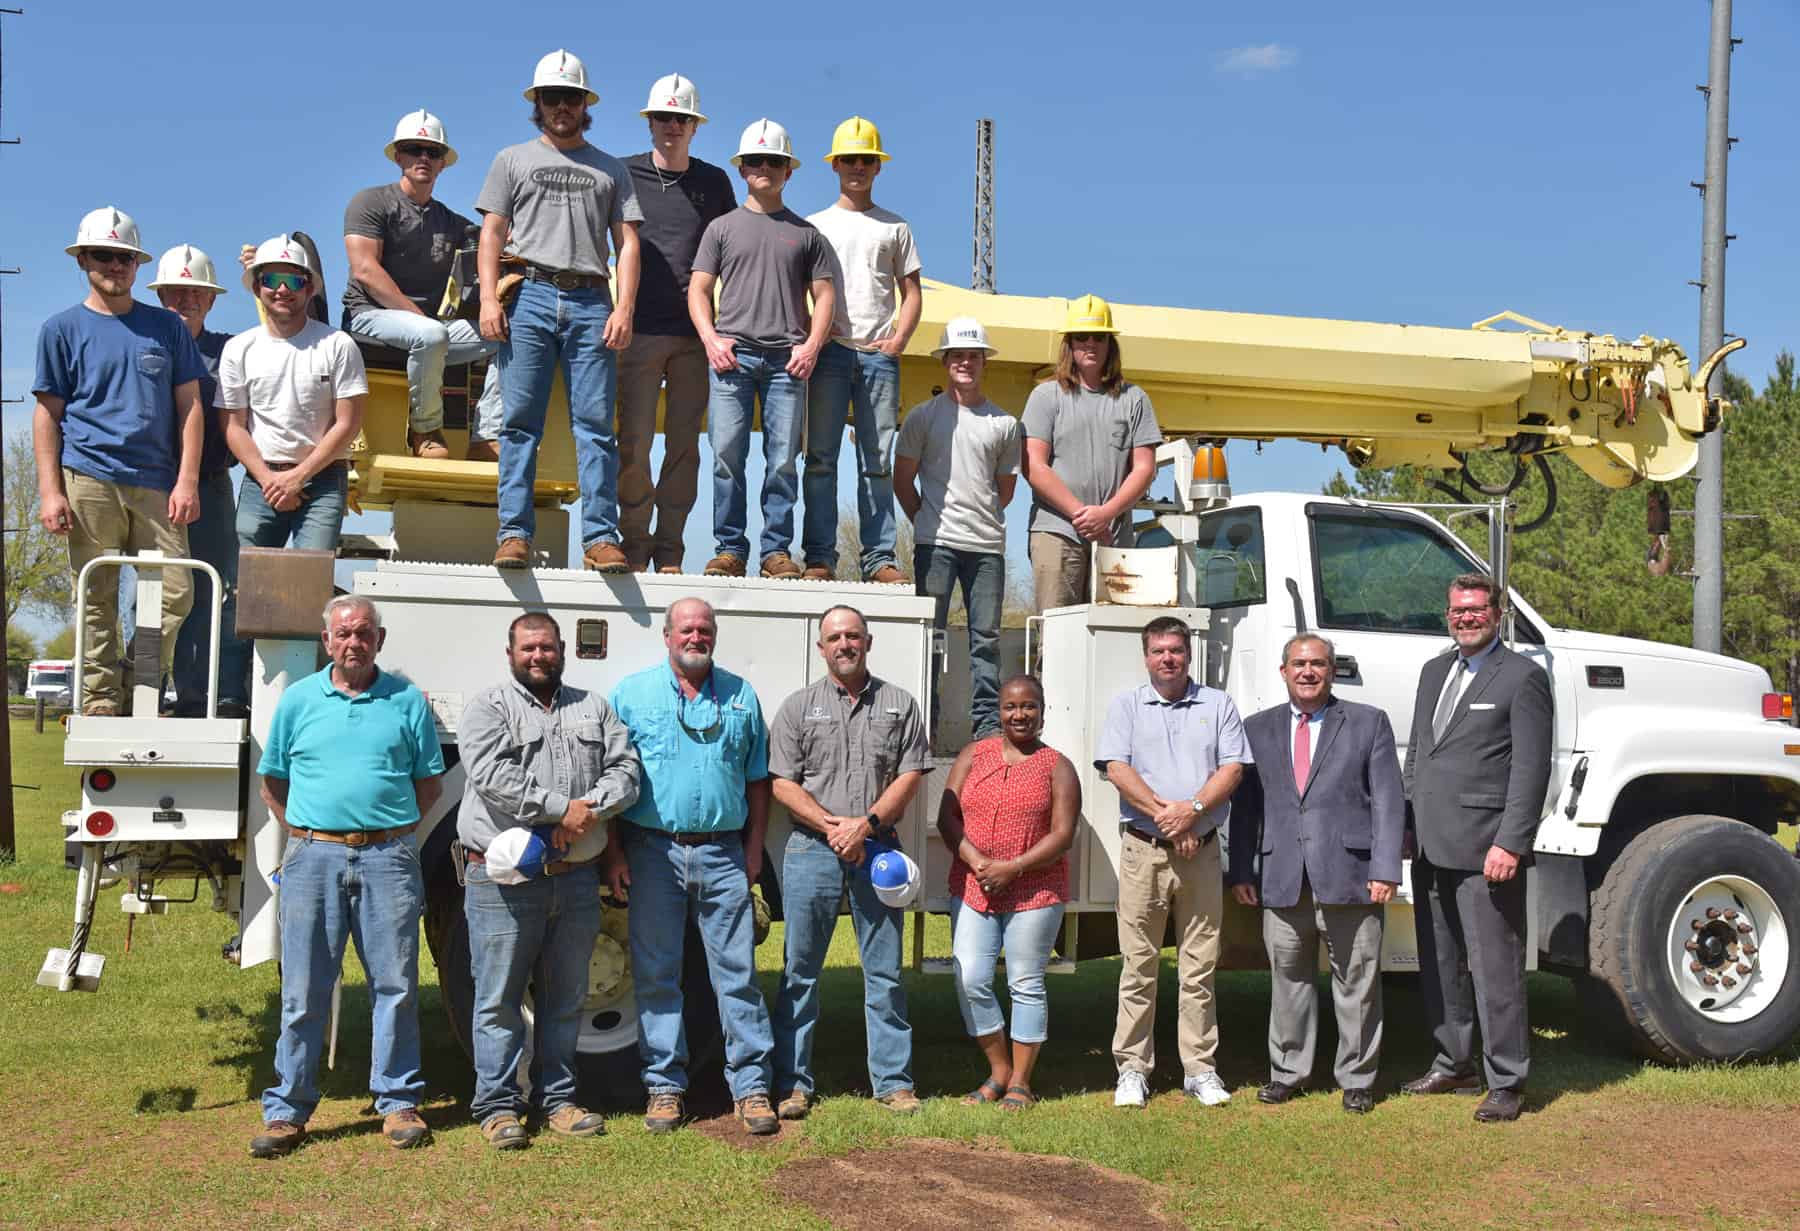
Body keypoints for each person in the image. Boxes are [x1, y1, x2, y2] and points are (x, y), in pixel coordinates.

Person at [250, 595, 446, 1158]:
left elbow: (428, 785)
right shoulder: (298, 700)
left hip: (389, 859)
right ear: (326, 640)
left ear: (378, 641)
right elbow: (273, 784)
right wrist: (311, 835)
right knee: (304, 990)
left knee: (397, 985)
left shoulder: (406, 700)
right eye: (343, 634)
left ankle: (398, 1102)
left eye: (364, 633)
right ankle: (287, 1110)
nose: (353, 643)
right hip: (313, 859)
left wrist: (391, 833)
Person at [456, 611, 640, 1150]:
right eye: (527, 648)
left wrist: (585, 812)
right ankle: (497, 1106)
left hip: (576, 878)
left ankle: (557, 1100)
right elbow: (490, 776)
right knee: (498, 999)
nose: (538, 656)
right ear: (510, 652)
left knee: (566, 998)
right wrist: (560, 811)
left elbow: (626, 770)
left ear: (563, 649)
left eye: (547, 647)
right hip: (504, 881)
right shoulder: (488, 708)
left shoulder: (594, 707)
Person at [605, 597, 781, 1136]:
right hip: (652, 851)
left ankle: (751, 1088)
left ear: (714, 635)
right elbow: (613, 779)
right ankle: (664, 1087)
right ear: (667, 636)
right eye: (686, 629)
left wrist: (753, 851)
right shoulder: (630, 695)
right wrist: (613, 854)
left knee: (737, 975)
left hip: (724, 852)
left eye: (705, 629)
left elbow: (757, 779)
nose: (696, 637)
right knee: (657, 975)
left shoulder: (739, 695)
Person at [33, 207, 205, 716]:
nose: (116, 265)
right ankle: (101, 696)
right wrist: (50, 490)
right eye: (105, 256)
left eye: (126, 258)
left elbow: (191, 406)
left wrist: (187, 480)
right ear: (82, 259)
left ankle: (140, 681)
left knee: (178, 593)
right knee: (95, 596)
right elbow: (47, 415)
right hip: (86, 477)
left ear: (138, 266)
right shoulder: (60, 329)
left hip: (158, 483)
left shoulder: (166, 328)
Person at [478, 49, 643, 573]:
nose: (562, 106)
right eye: (552, 97)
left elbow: (629, 243)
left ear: (584, 103)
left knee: (595, 424)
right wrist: (487, 297)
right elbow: (492, 233)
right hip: (528, 295)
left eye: (571, 97)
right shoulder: (512, 160)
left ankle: (600, 538)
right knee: (519, 422)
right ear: (538, 102)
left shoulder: (610, 169)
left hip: (592, 300)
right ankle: (513, 534)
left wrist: (624, 307)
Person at [1228, 634, 1404, 1114]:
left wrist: (1386, 867)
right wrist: (1240, 868)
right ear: (1283, 671)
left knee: (1358, 981)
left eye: (1319, 664)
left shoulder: (1369, 723)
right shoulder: (1257, 729)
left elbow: (1389, 802)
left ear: (1333, 671)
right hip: (1281, 876)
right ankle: (1288, 1071)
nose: (1309, 672)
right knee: (1288, 980)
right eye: (1299, 664)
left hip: (1352, 874)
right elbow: (1244, 810)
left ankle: (1358, 1078)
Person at [1402, 573, 1553, 1123]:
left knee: (1496, 969)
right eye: (1457, 610)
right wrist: (1406, 821)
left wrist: (1511, 842)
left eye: (1475, 609)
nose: (1465, 618)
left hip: (1487, 850)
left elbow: (1531, 771)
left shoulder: (1522, 677)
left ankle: (1507, 1079)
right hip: (1430, 846)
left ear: (1497, 614)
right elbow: (1419, 751)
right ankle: (1454, 1062)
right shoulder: (1433, 671)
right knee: (1441, 965)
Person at [768, 605, 929, 1118]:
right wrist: (835, 827)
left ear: (868, 641)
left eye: (853, 636)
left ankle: (893, 1083)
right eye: (834, 637)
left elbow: (909, 777)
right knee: (800, 970)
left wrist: (866, 826)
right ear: (821, 647)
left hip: (878, 850)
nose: (844, 644)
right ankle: (793, 1084)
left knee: (884, 972)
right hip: (811, 848)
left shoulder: (900, 704)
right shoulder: (797, 707)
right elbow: (782, 784)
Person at [1095, 616, 1249, 1109]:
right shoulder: (1127, 706)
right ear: (1146, 656)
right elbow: (1117, 769)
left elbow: (1233, 768)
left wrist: (1195, 814)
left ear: (1189, 654)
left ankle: (1200, 1069)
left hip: (1200, 853)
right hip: (1145, 850)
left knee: (1198, 968)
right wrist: (1169, 816)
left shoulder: (1218, 704)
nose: (1168, 658)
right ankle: (1132, 1070)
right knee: (1138, 966)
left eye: (1176, 651)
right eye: (1159, 651)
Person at [217, 235, 368, 699]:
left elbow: (348, 423)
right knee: (240, 590)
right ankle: (229, 693)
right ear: (257, 287)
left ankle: (304, 693)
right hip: (260, 480)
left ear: (309, 288)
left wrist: (298, 477)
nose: (282, 290)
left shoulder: (338, 344)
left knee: (311, 592)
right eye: (271, 280)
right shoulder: (240, 348)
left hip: (321, 481)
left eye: (292, 280)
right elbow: (233, 426)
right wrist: (268, 478)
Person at [687, 119, 836, 580]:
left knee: (782, 462)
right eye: (755, 161)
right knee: (726, 456)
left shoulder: (806, 234)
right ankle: (730, 549)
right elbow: (698, 289)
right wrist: (711, 339)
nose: (764, 168)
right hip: (731, 361)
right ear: (742, 169)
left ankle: (776, 552)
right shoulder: (721, 228)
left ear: (789, 171)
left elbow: (826, 296)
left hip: (786, 365)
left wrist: (811, 346)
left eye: (774, 161)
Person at [937, 675, 1078, 1110]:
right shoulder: (972, 755)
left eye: (1029, 706)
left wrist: (1012, 868)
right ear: (998, 711)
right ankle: (997, 1069)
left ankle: (1020, 1081)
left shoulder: (1057, 765)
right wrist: (979, 864)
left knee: (1025, 983)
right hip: (974, 887)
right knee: (971, 977)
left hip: (1035, 889)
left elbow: (1063, 834)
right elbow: (947, 816)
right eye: (1011, 707)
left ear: (1042, 711)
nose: (1020, 714)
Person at [617, 74, 736, 573]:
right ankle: (635, 541)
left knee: (684, 447)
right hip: (638, 331)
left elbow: (736, 254)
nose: (672, 126)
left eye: (681, 119)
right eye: (663, 117)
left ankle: (671, 547)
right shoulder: (622, 175)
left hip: (694, 339)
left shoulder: (714, 183)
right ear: (650, 123)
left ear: (695, 127)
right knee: (635, 443)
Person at [799, 116, 921, 584]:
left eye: (865, 159)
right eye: (849, 159)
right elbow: (801, 290)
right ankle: (819, 558)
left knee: (877, 461)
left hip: (877, 356)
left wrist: (898, 341)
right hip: (829, 353)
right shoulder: (815, 225)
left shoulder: (896, 227)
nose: (857, 167)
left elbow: (911, 291)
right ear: (835, 165)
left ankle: (879, 559)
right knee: (821, 458)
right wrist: (812, 338)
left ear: (878, 167)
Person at [342, 109, 502, 462]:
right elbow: (365, 269)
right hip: (370, 318)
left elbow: (492, 251)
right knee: (431, 336)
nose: (424, 158)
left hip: (432, 329)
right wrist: (420, 317)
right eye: (415, 149)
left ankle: (486, 436)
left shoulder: (454, 223)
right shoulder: (370, 203)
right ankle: (426, 429)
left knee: (510, 335)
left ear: (444, 163)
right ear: (398, 156)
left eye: (433, 152)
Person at [893, 317, 1018, 740]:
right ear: (945, 362)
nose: (966, 363)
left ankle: (985, 726)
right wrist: (926, 522)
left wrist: (973, 517)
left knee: (986, 640)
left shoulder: (1003, 424)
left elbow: (1006, 490)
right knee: (931, 637)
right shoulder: (922, 418)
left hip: (986, 548)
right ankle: (925, 719)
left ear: (984, 362)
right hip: (936, 545)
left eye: (973, 356)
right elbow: (901, 479)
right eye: (958, 356)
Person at [146, 245, 247, 719]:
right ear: (160, 295)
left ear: (211, 301)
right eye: (176, 292)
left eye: (197, 293)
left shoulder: (229, 351)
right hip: (148, 486)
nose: (186, 300)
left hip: (210, 484)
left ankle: (207, 695)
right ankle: (144, 689)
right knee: (152, 593)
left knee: (215, 591)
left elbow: (280, 333)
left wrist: (255, 277)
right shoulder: (141, 342)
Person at [1020, 294, 1161, 611]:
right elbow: (1034, 466)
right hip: (1056, 533)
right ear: (1068, 343)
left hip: (1114, 537)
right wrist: (1082, 516)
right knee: (1056, 634)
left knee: (1113, 633)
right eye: (1082, 337)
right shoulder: (1045, 396)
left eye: (1099, 337)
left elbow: (1144, 468)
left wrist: (1106, 514)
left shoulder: (1134, 399)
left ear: (1111, 344)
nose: (1090, 344)